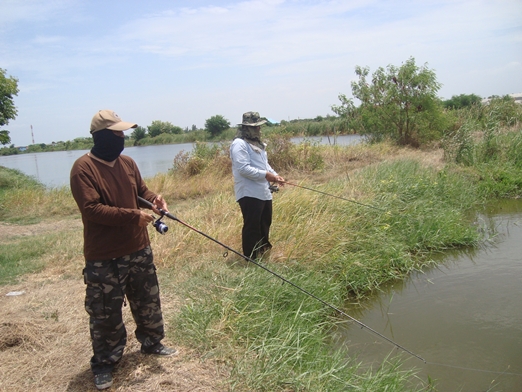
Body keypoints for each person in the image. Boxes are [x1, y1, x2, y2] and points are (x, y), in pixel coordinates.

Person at [70, 109, 177, 390]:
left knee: (148, 300)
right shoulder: (83, 168)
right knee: (105, 312)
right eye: (118, 133)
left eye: (123, 132)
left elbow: (141, 191)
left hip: (139, 247)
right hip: (104, 256)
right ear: (102, 136)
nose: (122, 137)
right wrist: (133, 215)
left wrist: (155, 201)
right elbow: (92, 210)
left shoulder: (127, 163)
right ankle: (105, 362)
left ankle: (152, 343)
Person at [230, 111, 285, 259]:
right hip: (249, 193)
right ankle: (251, 257)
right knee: (252, 225)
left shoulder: (258, 145)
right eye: (255, 127)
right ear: (246, 128)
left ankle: (263, 251)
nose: (258, 129)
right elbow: (243, 169)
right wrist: (267, 175)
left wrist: (276, 176)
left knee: (265, 222)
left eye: (259, 126)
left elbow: (265, 165)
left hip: (263, 191)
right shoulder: (239, 144)